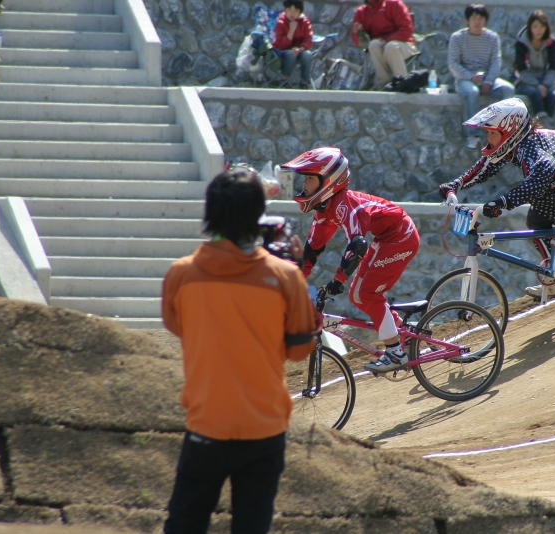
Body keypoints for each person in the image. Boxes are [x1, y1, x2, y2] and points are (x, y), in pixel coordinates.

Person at [161, 164, 319, 534]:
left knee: (184, 523)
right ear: (258, 217)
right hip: (263, 427)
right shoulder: (285, 276)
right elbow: (298, 350)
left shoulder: (180, 274)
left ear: (210, 213)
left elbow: (177, 326)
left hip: (206, 422)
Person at [438, 98, 555, 299]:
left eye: (491, 133)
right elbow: (485, 167)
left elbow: (535, 186)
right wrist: (456, 184)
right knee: (535, 221)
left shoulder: (531, 149)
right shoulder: (512, 145)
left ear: (509, 133)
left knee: (538, 192)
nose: (487, 138)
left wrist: (502, 203)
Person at [282, 147, 420, 373]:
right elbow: (311, 252)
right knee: (358, 295)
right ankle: (403, 332)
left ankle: (395, 352)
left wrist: (337, 281)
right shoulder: (325, 211)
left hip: (401, 237)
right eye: (304, 178)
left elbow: (357, 246)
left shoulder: (345, 205)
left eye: (309, 178)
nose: (304, 184)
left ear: (328, 181)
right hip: (385, 238)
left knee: (367, 293)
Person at [448, 4, 515, 150]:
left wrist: (489, 81)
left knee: (508, 89)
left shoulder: (492, 38)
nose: (477, 21)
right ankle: (473, 135)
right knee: (472, 92)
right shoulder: (457, 38)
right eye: (473, 18)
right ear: (467, 20)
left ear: (485, 20)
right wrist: (470, 76)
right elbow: (453, 64)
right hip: (465, 79)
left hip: (487, 77)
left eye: (480, 18)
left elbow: (496, 62)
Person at [351, 0, 416, 90]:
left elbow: (406, 30)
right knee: (373, 45)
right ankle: (384, 84)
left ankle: (402, 82)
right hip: (381, 47)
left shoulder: (394, 4)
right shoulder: (361, 12)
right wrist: (357, 32)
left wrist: (386, 41)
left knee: (391, 47)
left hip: (404, 44)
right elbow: (358, 42)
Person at [513, 10, 555, 119]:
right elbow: (521, 70)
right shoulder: (521, 43)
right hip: (525, 81)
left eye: (542, 27)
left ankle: (545, 125)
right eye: (535, 27)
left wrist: (544, 84)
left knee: (552, 96)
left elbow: (554, 68)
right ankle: (542, 123)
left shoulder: (551, 43)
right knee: (535, 94)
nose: (539, 30)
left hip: (544, 81)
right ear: (530, 28)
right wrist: (537, 85)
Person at [271, 0, 314, 88]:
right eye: (289, 9)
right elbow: (282, 45)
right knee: (290, 54)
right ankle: (284, 80)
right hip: (283, 51)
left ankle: (304, 81)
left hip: (299, 50)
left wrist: (300, 49)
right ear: (285, 10)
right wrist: (291, 30)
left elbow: (308, 40)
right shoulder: (280, 22)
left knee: (308, 54)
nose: (292, 13)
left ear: (300, 11)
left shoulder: (304, 22)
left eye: (296, 10)